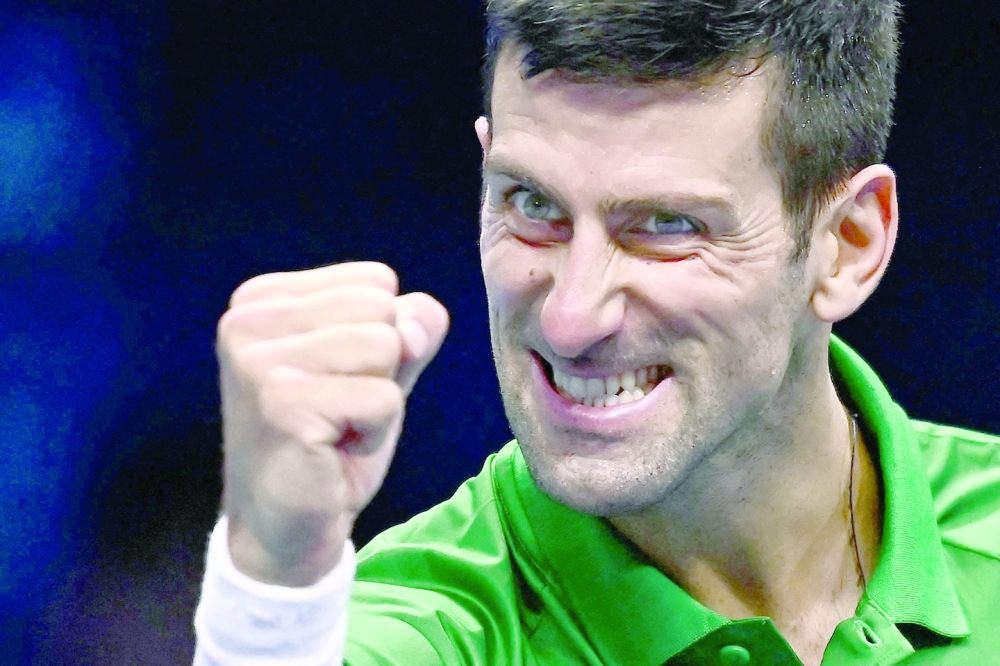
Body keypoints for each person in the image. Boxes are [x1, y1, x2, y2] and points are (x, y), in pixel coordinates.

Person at [193, 1, 1000, 664]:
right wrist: (273, 588)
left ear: (847, 246)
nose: (570, 317)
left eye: (666, 225)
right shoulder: (429, 625)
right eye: (532, 204)